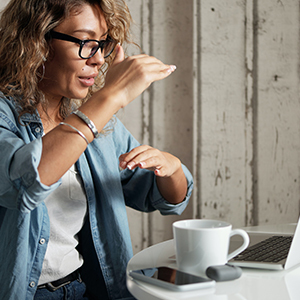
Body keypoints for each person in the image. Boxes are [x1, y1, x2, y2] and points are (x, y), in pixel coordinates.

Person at [0, 0, 193, 299]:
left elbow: (166, 199)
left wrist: (172, 167)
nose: (99, 59)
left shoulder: (97, 123)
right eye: (86, 43)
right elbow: (26, 184)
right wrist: (111, 96)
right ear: (37, 41)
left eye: (102, 44)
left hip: (83, 288)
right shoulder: (6, 115)